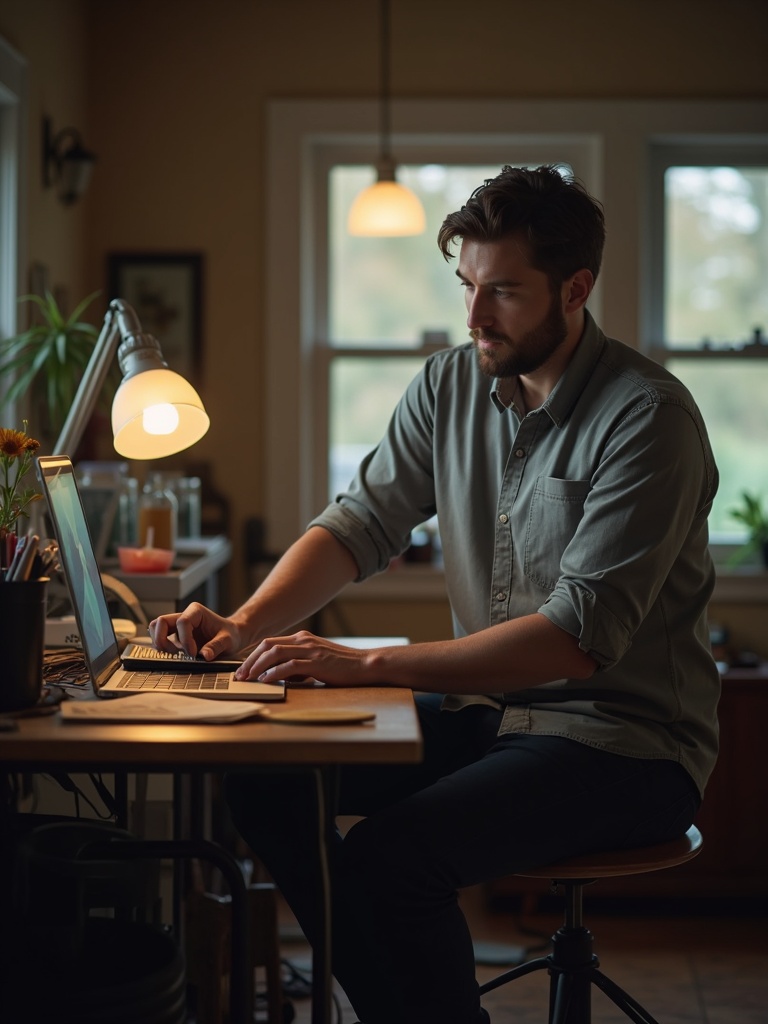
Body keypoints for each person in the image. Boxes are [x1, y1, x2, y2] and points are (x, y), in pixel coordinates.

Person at [149, 165, 720, 1024]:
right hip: (495, 717)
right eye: (466, 286)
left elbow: (573, 639)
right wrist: (239, 626)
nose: (475, 316)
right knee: (263, 784)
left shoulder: (648, 418)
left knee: (394, 858)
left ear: (576, 288)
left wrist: (361, 662)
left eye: (504, 293)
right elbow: (358, 525)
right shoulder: (450, 384)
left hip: (624, 741)